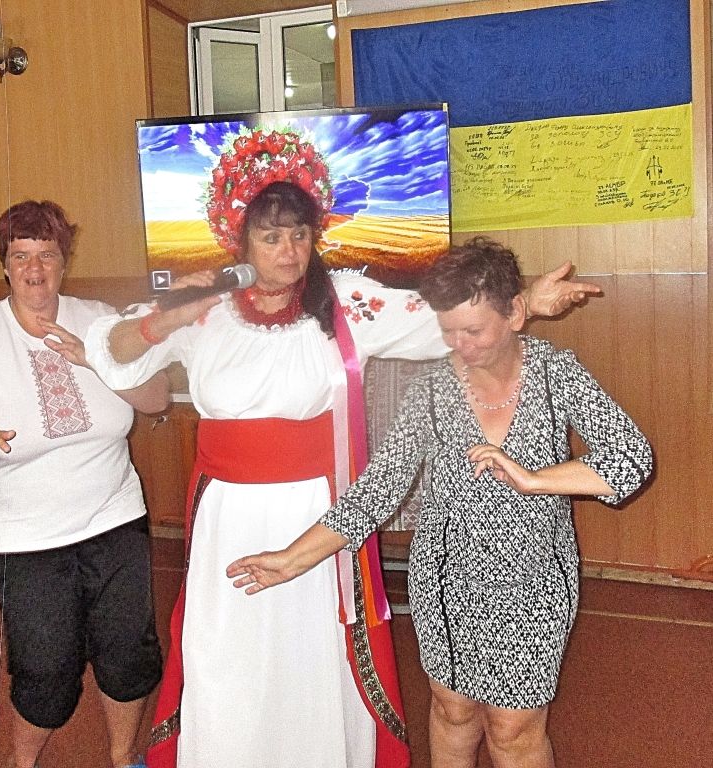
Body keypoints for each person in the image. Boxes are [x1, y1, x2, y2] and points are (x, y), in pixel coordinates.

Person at [83, 129, 601, 768]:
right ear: (240, 241)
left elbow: (444, 315)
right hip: (229, 514)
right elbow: (114, 354)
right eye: (271, 237)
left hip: (319, 511)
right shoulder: (204, 309)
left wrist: (528, 302)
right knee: (228, 649)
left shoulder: (348, 303)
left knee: (314, 652)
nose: (289, 251)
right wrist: (169, 315)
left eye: (300, 235)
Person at [227, 236, 653, 768]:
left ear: (515, 313)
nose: (460, 346)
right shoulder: (431, 390)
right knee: (453, 712)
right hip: (446, 580)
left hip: (536, 579)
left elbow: (631, 458)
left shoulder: (556, 373)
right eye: (448, 331)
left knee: (514, 729)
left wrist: (536, 480)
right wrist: (292, 559)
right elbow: (378, 488)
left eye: (473, 331)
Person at [0, 200, 169, 768]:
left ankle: (122, 756)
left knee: (129, 655)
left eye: (47, 254)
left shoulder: (100, 320)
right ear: (5, 265)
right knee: (45, 673)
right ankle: (24, 764)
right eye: (21, 256)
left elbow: (156, 399)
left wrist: (97, 361)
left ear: (64, 261)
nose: (35, 268)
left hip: (115, 519)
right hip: (27, 537)